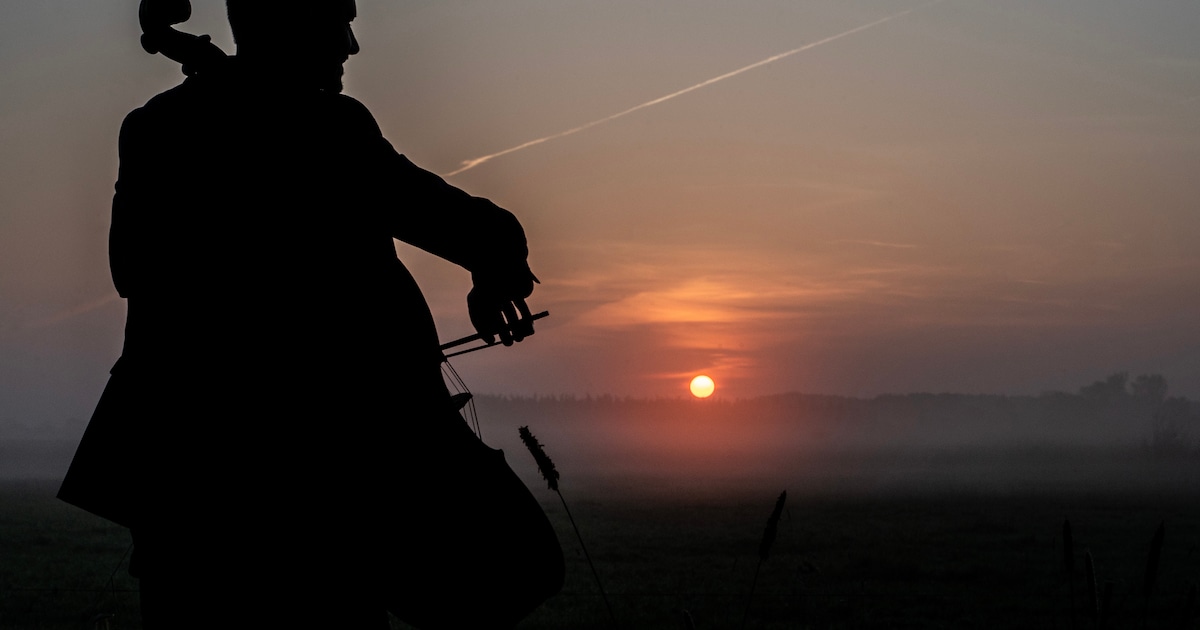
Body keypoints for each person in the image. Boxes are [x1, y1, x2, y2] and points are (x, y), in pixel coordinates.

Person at [58, 0, 539, 626]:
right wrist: (493, 268)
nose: (350, 46)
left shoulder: (155, 129)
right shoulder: (327, 130)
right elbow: (467, 224)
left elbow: (131, 268)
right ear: (292, 26)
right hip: (314, 495)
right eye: (338, 22)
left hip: (180, 490)